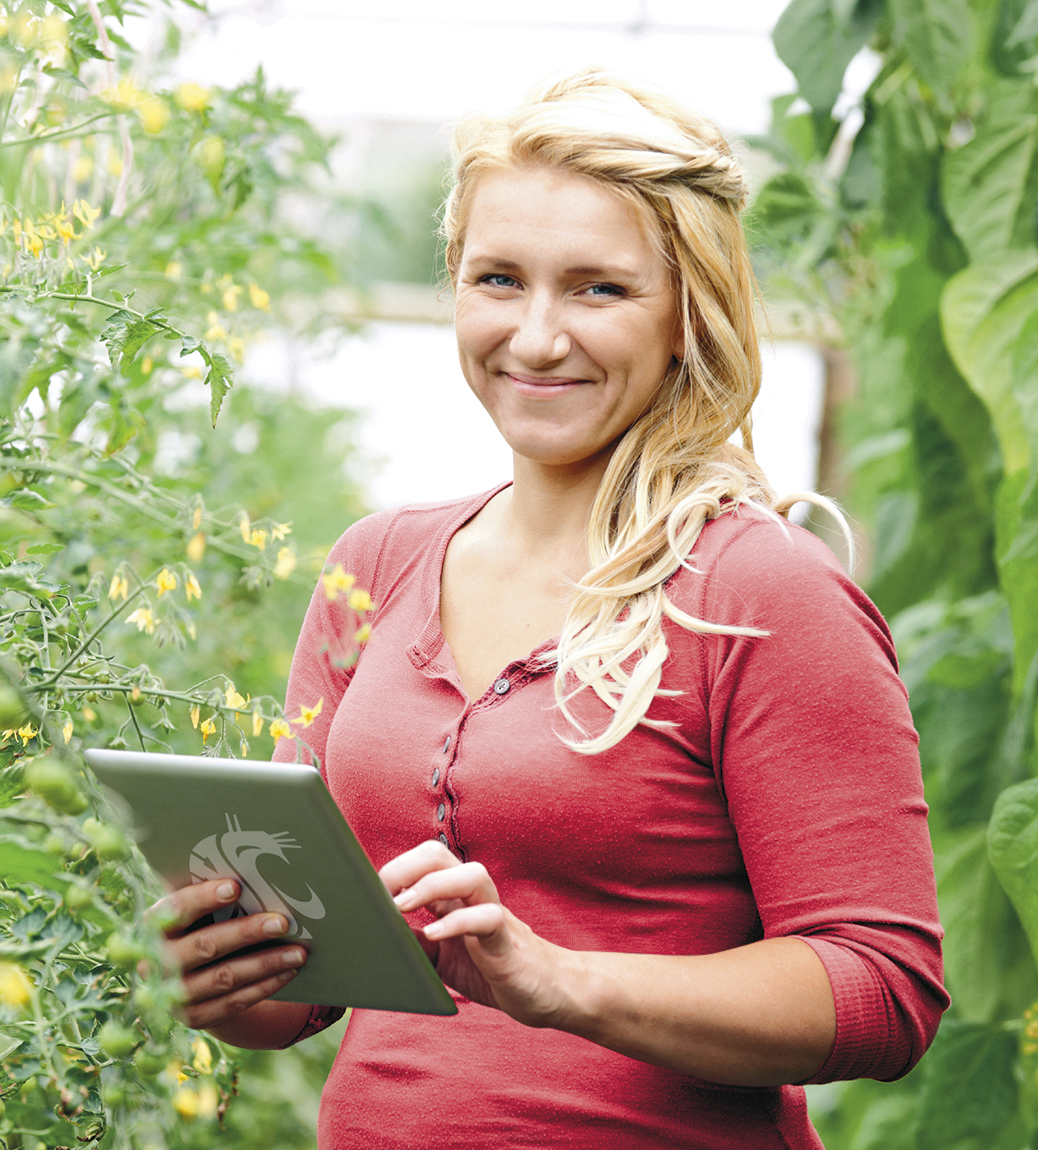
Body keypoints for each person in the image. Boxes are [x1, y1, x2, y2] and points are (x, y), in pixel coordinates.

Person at [157, 69, 948, 1149]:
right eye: (497, 280)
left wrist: (561, 981)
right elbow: (301, 997)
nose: (533, 338)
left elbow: (884, 989)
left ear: (690, 313)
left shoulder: (765, 593)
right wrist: (228, 971)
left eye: (597, 289)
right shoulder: (377, 563)